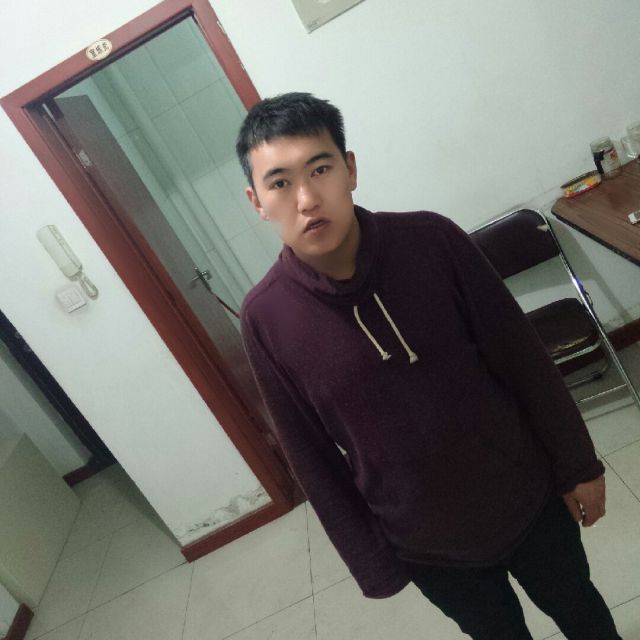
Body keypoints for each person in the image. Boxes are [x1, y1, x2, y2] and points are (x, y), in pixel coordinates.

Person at [235, 92, 621, 640]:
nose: (306, 199)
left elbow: (522, 358)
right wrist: (371, 560)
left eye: (320, 169)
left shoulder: (431, 240)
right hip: (427, 545)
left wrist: (578, 464)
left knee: (584, 615)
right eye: (280, 182)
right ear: (257, 201)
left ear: (350, 169)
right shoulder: (265, 318)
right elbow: (310, 456)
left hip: (526, 495)